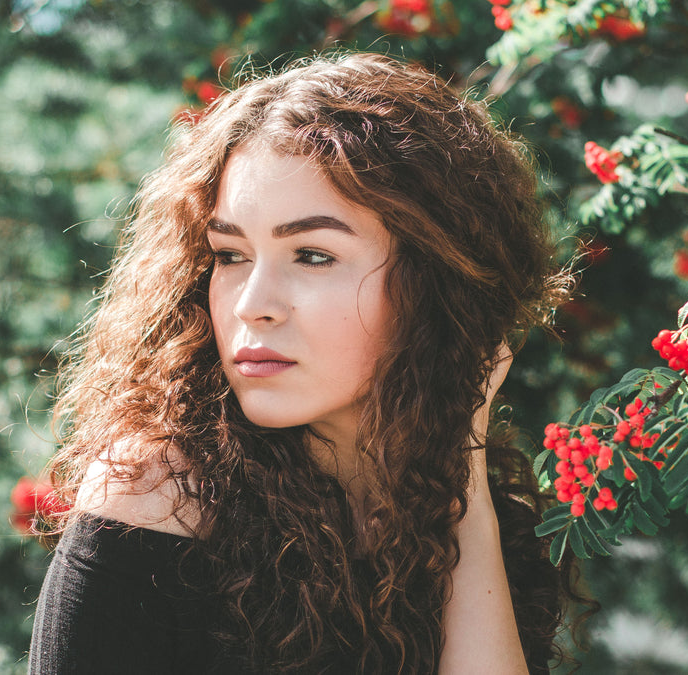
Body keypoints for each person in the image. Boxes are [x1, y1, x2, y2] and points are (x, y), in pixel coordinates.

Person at [29, 51, 576, 674]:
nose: (252, 306)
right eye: (230, 255)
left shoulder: (464, 508)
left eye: (312, 256)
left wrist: (464, 476)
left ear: (437, 282)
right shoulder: (159, 493)